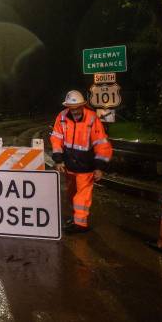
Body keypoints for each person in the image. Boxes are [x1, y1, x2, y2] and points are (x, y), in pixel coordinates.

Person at [50, 90, 112, 233]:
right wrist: (58, 160)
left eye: (77, 107)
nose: (75, 110)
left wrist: (99, 167)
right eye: (72, 108)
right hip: (69, 166)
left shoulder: (91, 119)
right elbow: (56, 139)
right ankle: (75, 217)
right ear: (68, 107)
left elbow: (101, 144)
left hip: (86, 167)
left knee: (81, 196)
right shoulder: (62, 117)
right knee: (71, 194)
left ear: (82, 105)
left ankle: (80, 224)